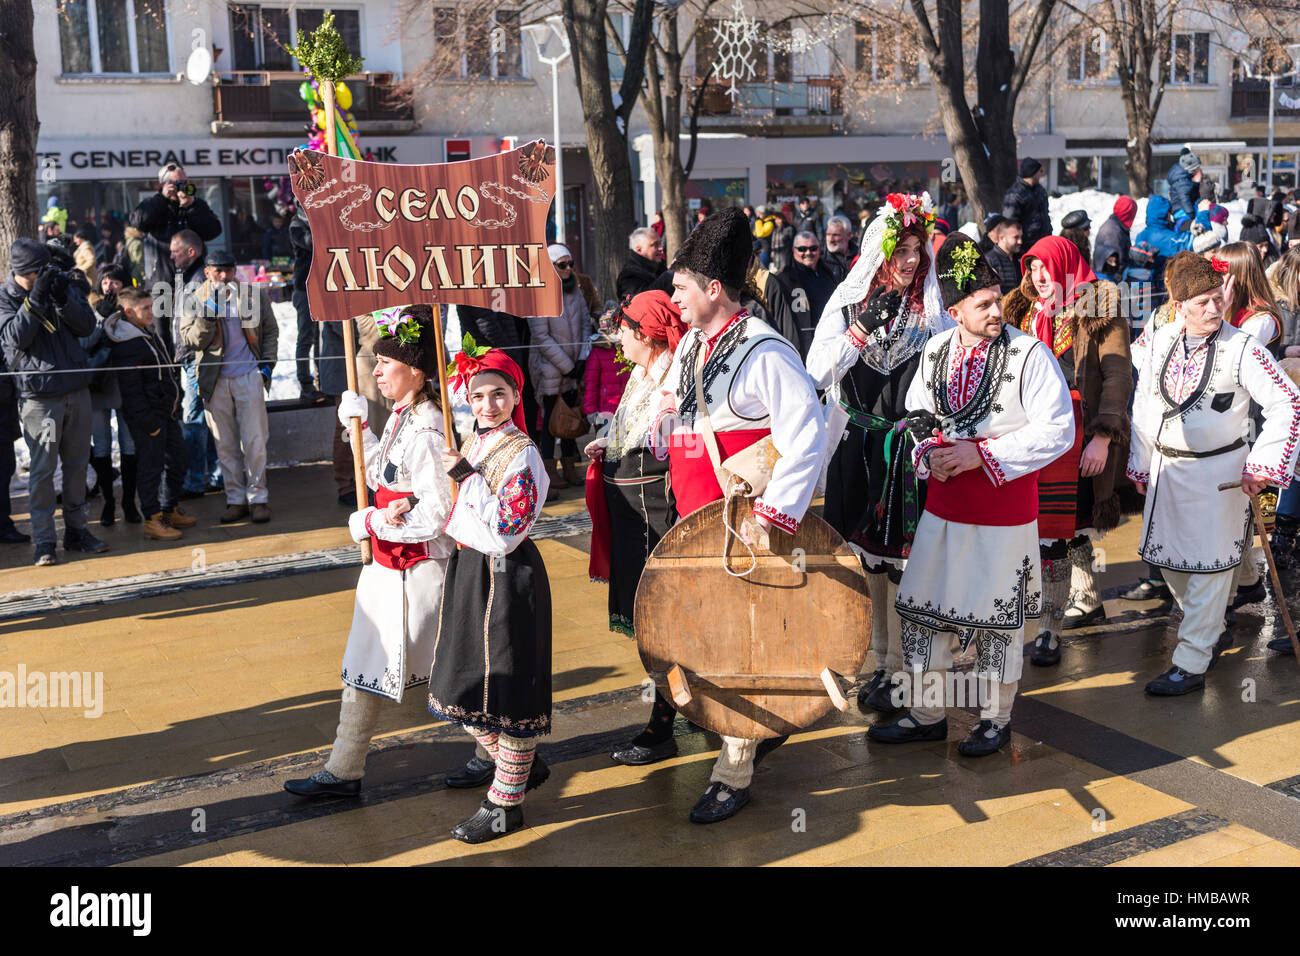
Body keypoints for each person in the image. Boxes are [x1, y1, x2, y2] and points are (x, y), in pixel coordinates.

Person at [649, 207, 827, 823]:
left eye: (681, 286)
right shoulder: (695, 344)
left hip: (741, 523)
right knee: (705, 638)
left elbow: (807, 433)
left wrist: (773, 516)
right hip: (694, 517)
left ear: (714, 289)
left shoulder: (765, 352)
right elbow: (686, 414)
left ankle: (736, 768)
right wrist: (654, 432)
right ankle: (739, 732)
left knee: (739, 644)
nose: (674, 296)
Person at [869, 232, 1074, 754]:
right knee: (924, 611)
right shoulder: (935, 349)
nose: (996, 311)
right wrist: (927, 451)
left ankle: (996, 718)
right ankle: (927, 711)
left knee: (997, 619)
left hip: (1003, 513)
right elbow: (917, 415)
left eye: (998, 301)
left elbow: (1058, 430)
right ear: (955, 311)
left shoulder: (1030, 355)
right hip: (942, 509)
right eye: (982, 305)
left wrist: (981, 455)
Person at [284, 306, 458, 799]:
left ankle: (507, 756)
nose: (376, 371)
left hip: (418, 575)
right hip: (388, 572)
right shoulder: (405, 418)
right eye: (376, 362)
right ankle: (344, 769)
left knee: (453, 672)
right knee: (362, 668)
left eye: (385, 363)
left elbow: (438, 517)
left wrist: (373, 521)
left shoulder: (428, 428)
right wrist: (359, 430)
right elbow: (387, 475)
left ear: (417, 371)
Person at [1128, 251, 1300, 694]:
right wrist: (1142, 460)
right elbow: (1144, 402)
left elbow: (1287, 401)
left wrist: (1262, 464)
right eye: (1201, 301)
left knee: (1208, 570)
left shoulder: (1241, 347)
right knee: (1170, 564)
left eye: (1216, 297)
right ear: (1180, 305)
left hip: (1219, 477)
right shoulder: (1161, 339)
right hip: (1167, 472)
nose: (1213, 308)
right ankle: (1210, 623)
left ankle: (1190, 661)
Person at [806, 192, 951, 713]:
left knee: (907, 566)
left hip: (908, 449)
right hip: (859, 445)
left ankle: (907, 674)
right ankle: (880, 663)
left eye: (918, 248)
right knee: (868, 561)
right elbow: (815, 373)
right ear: (879, 253)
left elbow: (949, 369)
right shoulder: (846, 302)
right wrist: (860, 329)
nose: (912, 260)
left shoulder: (932, 311)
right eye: (902, 250)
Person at [428, 347, 553, 844]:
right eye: (477, 395)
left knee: (508, 691)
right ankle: (519, 766)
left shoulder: (522, 452)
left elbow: (506, 529)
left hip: (508, 575)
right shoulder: (474, 443)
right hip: (471, 569)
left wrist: (463, 476)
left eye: (499, 394)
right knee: (459, 685)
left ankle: (505, 803)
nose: (488, 404)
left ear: (516, 395)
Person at [1001, 236, 1134, 665]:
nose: (1039, 279)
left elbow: (1117, 377)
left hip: (1079, 431)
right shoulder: (1018, 311)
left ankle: (1048, 629)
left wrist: (1103, 434)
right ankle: (1088, 597)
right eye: (1032, 269)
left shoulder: (1098, 309)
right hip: (1029, 434)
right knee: (1048, 527)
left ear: (1065, 266)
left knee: (1061, 528)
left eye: (1046, 269)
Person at [588, 292, 688, 765]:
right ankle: (674, 711)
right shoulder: (643, 374)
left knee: (660, 623)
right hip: (633, 520)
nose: (618, 337)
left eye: (624, 330)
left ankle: (663, 723)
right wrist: (607, 443)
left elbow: (669, 443)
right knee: (647, 624)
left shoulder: (674, 376)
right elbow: (630, 430)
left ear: (646, 336)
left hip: (655, 521)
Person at [0, 238, 109, 564]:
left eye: (47, 268)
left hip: (76, 390)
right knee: (43, 473)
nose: (45, 274)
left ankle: (77, 532)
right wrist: (34, 299)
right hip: (40, 400)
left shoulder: (59, 285)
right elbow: (14, 338)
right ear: (22, 273)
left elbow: (88, 326)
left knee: (77, 468)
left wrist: (63, 298)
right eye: (38, 271)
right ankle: (45, 541)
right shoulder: (5, 299)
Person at [179, 249, 278, 524]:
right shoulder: (194, 300)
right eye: (218, 271)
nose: (224, 276)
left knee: (256, 441)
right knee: (225, 444)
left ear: (235, 271)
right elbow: (191, 340)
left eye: (229, 270)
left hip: (249, 375)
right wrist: (210, 313)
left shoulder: (252, 295)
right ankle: (235, 499)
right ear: (207, 272)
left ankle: (258, 498)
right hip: (215, 379)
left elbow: (270, 330)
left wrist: (266, 366)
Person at [104, 288, 194, 540]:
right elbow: (130, 391)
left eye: (151, 306)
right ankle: (153, 520)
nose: (151, 312)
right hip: (149, 418)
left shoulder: (146, 332)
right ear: (129, 312)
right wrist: (149, 422)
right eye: (145, 308)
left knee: (179, 458)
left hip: (166, 412)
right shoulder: (127, 342)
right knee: (150, 468)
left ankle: (169, 509)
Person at [530, 244, 600, 493]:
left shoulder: (575, 292)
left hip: (573, 366)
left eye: (570, 263)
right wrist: (567, 365)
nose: (569, 269)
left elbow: (584, 325)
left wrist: (581, 358)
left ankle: (570, 465)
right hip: (550, 368)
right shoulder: (539, 295)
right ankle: (549, 469)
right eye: (562, 265)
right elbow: (541, 337)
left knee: (571, 416)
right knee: (551, 421)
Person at [128, 162, 222, 299]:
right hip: (161, 282)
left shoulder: (196, 205)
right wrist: (162, 198)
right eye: (175, 183)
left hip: (193, 281)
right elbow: (138, 222)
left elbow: (213, 231)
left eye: (184, 182)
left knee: (194, 319)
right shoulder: (154, 204)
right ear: (162, 185)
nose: (180, 187)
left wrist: (192, 207)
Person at [776, 230, 841, 357]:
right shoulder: (784, 278)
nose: (808, 253)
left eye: (813, 248)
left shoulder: (829, 273)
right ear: (794, 250)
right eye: (802, 249)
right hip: (800, 347)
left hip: (829, 341)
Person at [289, 205, 326, 403]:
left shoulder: (318, 220)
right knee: (306, 338)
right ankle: (305, 384)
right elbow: (311, 242)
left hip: (323, 288)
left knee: (322, 337)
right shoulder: (297, 224)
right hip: (304, 289)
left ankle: (323, 382)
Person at [1002, 158, 1051, 249]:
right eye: (1039, 171)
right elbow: (1010, 222)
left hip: (1043, 242)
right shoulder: (1015, 194)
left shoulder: (1040, 190)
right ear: (1033, 173)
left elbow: (1045, 214)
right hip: (1025, 245)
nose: (1041, 174)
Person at [616, 227, 667, 300]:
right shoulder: (629, 275)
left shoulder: (659, 267)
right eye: (655, 245)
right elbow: (641, 303)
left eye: (660, 243)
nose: (661, 248)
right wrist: (667, 278)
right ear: (639, 249)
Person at [1093, 196, 1137, 281]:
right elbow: (1116, 262)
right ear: (1129, 215)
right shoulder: (1113, 232)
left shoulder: (1118, 225)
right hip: (1111, 279)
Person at [984, 216, 1023, 294]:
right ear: (1002, 238)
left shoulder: (1020, 257)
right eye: (1016, 237)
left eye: (1021, 237)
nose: (1020, 242)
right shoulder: (989, 260)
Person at [1166, 148, 1202, 227]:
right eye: (1197, 168)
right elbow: (1184, 198)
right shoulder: (1182, 181)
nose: (1199, 170)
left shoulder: (1182, 178)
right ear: (1192, 169)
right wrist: (1191, 214)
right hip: (1183, 213)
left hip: (1180, 211)